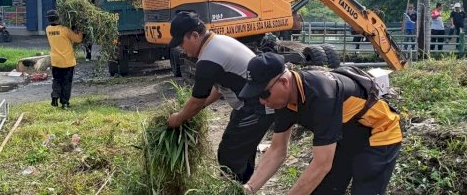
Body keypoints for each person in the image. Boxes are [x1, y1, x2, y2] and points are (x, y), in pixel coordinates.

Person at [239, 53, 402, 194]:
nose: (262, 101)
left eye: (264, 93)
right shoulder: (283, 100)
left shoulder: (322, 95)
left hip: (378, 135)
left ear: (284, 82)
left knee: (365, 183)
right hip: (343, 135)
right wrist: (249, 188)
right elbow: (277, 150)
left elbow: (322, 164)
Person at [165, 12, 274, 183]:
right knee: (241, 151)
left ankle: (234, 188)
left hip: (258, 105)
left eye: (181, 42)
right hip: (251, 105)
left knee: (229, 155)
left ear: (194, 35)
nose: (181, 48)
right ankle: (244, 187)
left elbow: (196, 101)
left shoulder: (208, 59)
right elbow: (220, 88)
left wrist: (178, 118)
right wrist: (198, 107)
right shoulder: (218, 43)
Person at [45, 10, 83, 109]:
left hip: (56, 61)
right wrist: (80, 31)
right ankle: (65, 103)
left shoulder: (48, 29)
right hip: (67, 61)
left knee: (57, 80)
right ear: (58, 18)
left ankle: (55, 95)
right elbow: (78, 39)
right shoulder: (64, 29)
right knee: (66, 82)